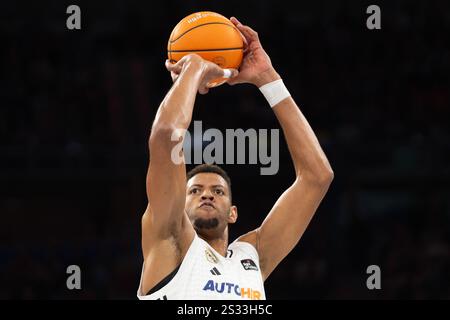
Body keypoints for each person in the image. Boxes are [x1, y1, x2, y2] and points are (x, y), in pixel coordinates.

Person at [137, 16, 334, 300]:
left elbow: (318, 177)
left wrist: (268, 78)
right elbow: (165, 135)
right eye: (194, 191)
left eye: (218, 191)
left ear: (233, 212)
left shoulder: (252, 257)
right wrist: (193, 69)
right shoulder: (168, 242)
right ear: (179, 202)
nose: (207, 195)